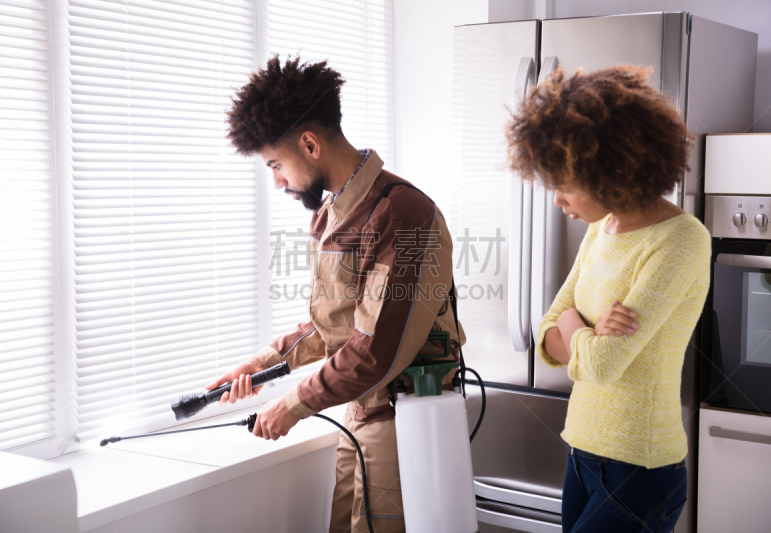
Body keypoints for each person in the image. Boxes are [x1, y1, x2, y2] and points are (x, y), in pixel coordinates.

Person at [207, 56, 464, 533]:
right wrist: (263, 365)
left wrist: (293, 404)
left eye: (276, 165)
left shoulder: (402, 213)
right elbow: (339, 323)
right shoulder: (331, 216)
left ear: (310, 144)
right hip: (361, 413)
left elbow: (376, 345)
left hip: (404, 419)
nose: (278, 181)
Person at [505, 65, 711, 533]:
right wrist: (586, 332)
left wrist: (575, 327)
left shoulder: (681, 240)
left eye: (566, 183)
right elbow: (545, 332)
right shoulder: (601, 228)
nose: (557, 200)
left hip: (640, 468)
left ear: (611, 169)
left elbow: (602, 365)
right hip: (581, 452)